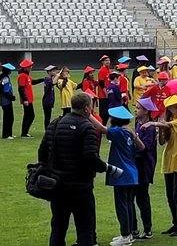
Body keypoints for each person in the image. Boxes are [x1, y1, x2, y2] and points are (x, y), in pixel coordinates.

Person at [39, 93, 121, 246]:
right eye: (91, 106)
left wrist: (51, 170)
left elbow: (42, 152)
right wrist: (108, 168)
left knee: (58, 227)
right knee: (84, 228)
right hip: (80, 187)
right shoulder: (86, 127)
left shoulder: (55, 123)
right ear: (86, 109)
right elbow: (90, 158)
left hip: (57, 186)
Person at [141, 95, 177, 236]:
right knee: (170, 194)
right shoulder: (168, 121)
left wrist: (153, 123)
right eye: (176, 107)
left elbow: (168, 125)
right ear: (169, 108)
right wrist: (161, 128)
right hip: (169, 159)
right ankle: (176, 223)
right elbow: (162, 142)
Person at [106, 106, 144, 246]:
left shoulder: (118, 131)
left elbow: (103, 129)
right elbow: (142, 147)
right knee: (128, 204)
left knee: (122, 205)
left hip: (121, 175)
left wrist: (87, 114)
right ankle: (128, 234)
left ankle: (125, 236)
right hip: (131, 173)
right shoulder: (129, 132)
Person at [132, 98, 158, 240]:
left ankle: (147, 229)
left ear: (146, 111)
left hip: (144, 166)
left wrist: (133, 138)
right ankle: (134, 228)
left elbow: (145, 147)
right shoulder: (138, 123)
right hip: (136, 165)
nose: (136, 110)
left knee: (142, 198)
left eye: (138, 108)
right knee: (134, 197)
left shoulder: (150, 128)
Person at [18, 60, 43, 138]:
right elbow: (21, 88)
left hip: (28, 99)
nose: (31, 68)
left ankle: (24, 132)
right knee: (30, 115)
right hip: (27, 99)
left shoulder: (26, 75)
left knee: (28, 115)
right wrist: (25, 99)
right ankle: (24, 132)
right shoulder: (22, 76)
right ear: (25, 68)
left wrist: (43, 79)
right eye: (29, 66)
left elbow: (33, 82)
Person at [0, 63, 17, 140]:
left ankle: (9, 133)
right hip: (6, 100)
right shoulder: (5, 78)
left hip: (6, 100)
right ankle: (6, 134)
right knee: (8, 117)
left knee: (9, 117)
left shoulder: (3, 77)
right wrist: (11, 97)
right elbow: (5, 91)